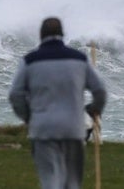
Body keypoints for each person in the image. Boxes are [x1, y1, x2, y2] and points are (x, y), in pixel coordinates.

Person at [9, 17, 107, 189]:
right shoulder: (80, 59)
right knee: (72, 182)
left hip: (43, 127)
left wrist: (29, 117)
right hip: (73, 128)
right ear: (62, 34)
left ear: (41, 35)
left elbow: (15, 94)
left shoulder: (29, 61)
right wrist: (93, 110)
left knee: (50, 180)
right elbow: (100, 91)